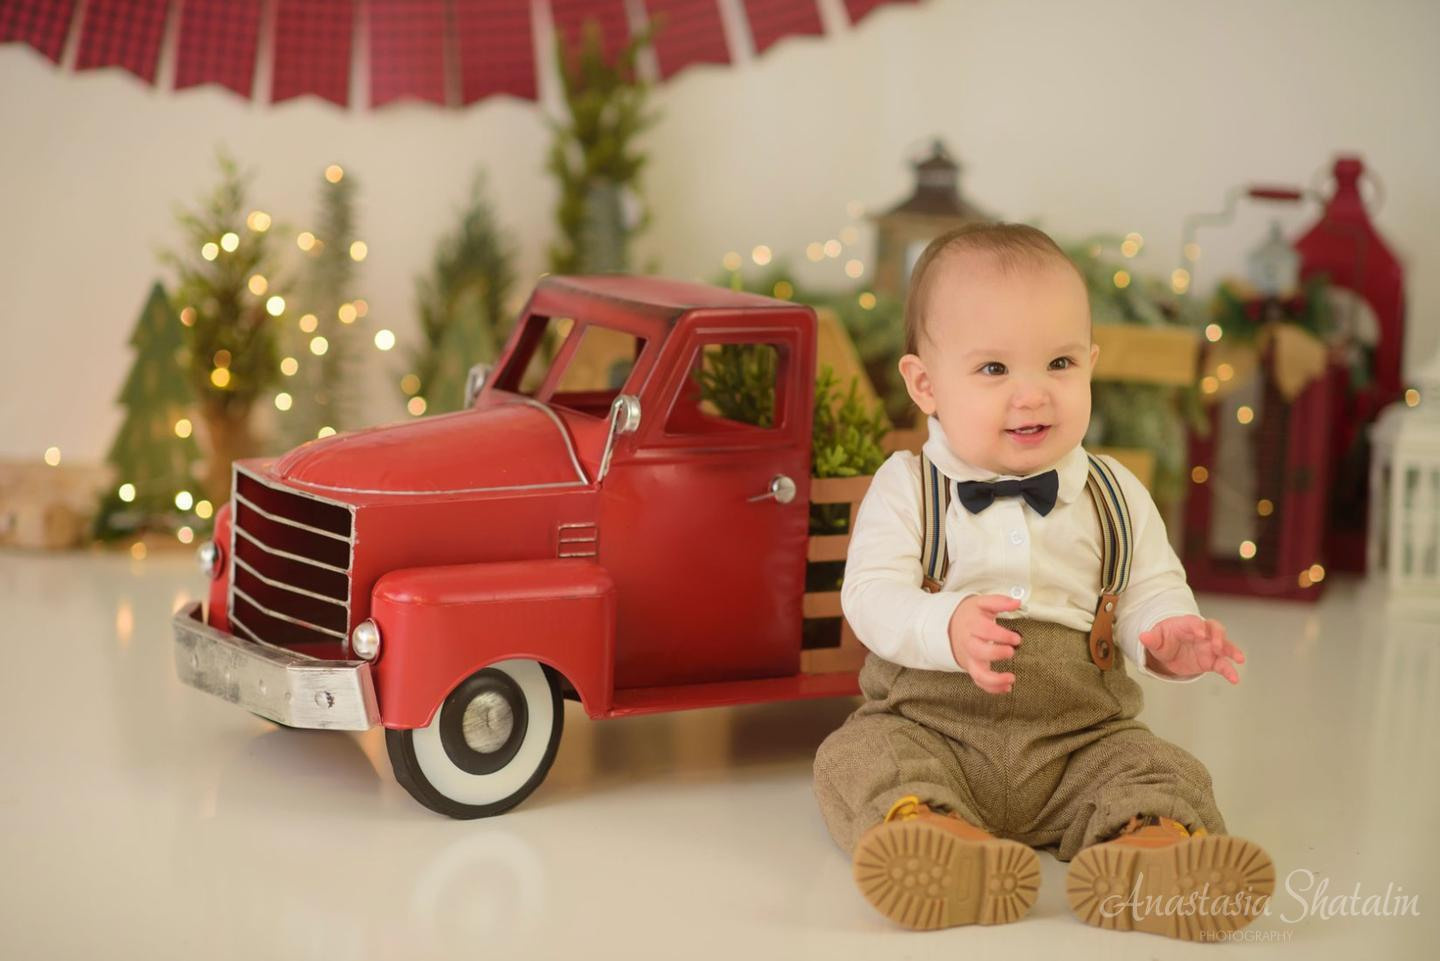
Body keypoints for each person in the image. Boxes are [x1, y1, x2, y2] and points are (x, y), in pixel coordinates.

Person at [812, 222, 1274, 940]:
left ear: (1091, 363)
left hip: (1078, 741)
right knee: (856, 755)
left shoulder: (1114, 492)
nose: (1032, 395)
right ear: (926, 384)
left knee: (1157, 765)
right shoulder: (907, 487)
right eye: (994, 369)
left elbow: (1149, 585)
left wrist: (1165, 632)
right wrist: (944, 625)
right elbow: (869, 596)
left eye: (1059, 363)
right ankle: (932, 831)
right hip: (934, 728)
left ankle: (1149, 850)